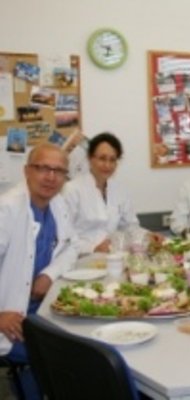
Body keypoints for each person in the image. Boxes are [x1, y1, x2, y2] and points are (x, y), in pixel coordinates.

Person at [0, 143, 79, 398]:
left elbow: (72, 246)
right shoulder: (7, 209)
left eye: (59, 171)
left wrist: (49, 274)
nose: (51, 177)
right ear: (27, 171)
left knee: (84, 342)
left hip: (39, 312)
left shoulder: (58, 205)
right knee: (61, 355)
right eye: (43, 168)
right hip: (8, 319)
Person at [63, 132, 163, 254]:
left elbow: (130, 227)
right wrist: (92, 248)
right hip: (81, 258)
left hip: (113, 257)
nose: (107, 165)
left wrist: (147, 235)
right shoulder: (72, 190)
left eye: (112, 160)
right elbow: (64, 236)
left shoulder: (120, 190)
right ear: (90, 158)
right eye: (102, 158)